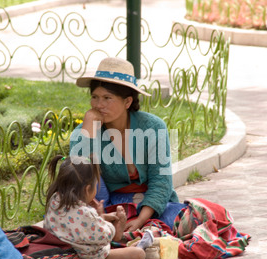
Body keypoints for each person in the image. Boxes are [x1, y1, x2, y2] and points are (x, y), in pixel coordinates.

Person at [69, 57, 186, 232]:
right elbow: (77, 177)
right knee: (88, 168)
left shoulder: (154, 127)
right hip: (107, 207)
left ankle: (137, 230)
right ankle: (111, 227)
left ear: (127, 102)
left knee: (182, 219)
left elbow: (161, 182)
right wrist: (87, 129)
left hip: (151, 206)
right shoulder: (85, 130)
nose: (98, 105)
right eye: (95, 97)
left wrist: (139, 220)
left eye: (107, 98)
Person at [43, 155, 153, 259]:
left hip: (65, 253)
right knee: (137, 255)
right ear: (87, 189)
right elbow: (105, 236)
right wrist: (114, 224)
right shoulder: (85, 214)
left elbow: (80, 225)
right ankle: (138, 246)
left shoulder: (55, 200)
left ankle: (128, 244)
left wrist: (100, 217)